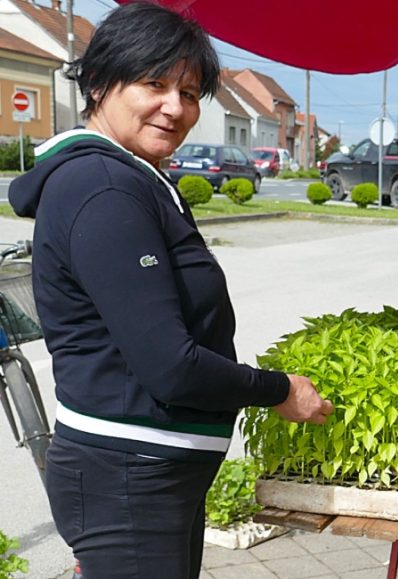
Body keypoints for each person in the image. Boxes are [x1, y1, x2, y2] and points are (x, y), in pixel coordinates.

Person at [8, 4, 334, 578]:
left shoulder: (130, 175)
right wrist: (279, 389)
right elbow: (170, 366)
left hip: (146, 476)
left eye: (188, 91)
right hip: (128, 476)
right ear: (101, 82)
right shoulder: (103, 188)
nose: (175, 107)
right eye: (153, 83)